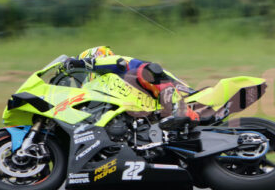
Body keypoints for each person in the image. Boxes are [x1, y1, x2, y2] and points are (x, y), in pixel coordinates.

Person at [64, 46, 199, 130]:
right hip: (152, 109)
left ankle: (179, 107)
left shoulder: (120, 63)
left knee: (143, 71)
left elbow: (118, 63)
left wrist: (79, 63)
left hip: (184, 94)